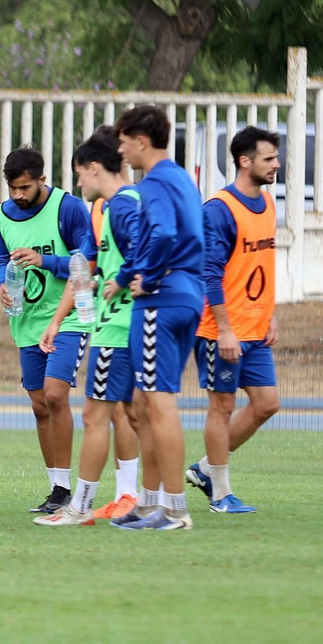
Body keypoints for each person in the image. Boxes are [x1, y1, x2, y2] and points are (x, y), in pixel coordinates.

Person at [35, 129, 144, 526]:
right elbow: (90, 270)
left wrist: (129, 276)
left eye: (80, 173)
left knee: (103, 414)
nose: (78, 182)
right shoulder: (106, 207)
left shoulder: (123, 205)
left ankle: (89, 505)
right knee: (133, 411)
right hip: (112, 323)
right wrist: (61, 318)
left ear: (96, 167)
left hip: (118, 327)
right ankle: (148, 499)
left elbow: (149, 250)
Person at [109, 105, 204, 531]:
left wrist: (144, 278)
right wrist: (129, 274)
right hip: (188, 297)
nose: (121, 149)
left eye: (124, 140)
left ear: (141, 141)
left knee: (159, 404)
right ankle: (149, 505)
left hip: (161, 302)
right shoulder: (182, 178)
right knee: (145, 404)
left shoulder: (155, 183)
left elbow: (163, 235)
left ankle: (174, 509)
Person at [0, 147, 95, 514]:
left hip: (68, 317)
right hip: (26, 319)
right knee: (39, 406)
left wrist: (46, 260)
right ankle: (56, 489)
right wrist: (1, 285)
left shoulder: (68, 209)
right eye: (12, 188)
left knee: (55, 395)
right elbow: (1, 257)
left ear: (41, 180)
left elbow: (88, 264)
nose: (18, 195)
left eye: (24, 187)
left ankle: (67, 488)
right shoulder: (3, 215)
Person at [188, 126, 282, 514]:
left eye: (276, 158)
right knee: (221, 407)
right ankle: (221, 495)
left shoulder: (269, 203)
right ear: (245, 161)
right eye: (268, 159)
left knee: (266, 403)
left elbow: (260, 264)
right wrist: (224, 329)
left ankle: (208, 468)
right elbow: (210, 273)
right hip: (220, 331)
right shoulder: (219, 209)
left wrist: (270, 314)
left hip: (256, 328)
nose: (277, 165)